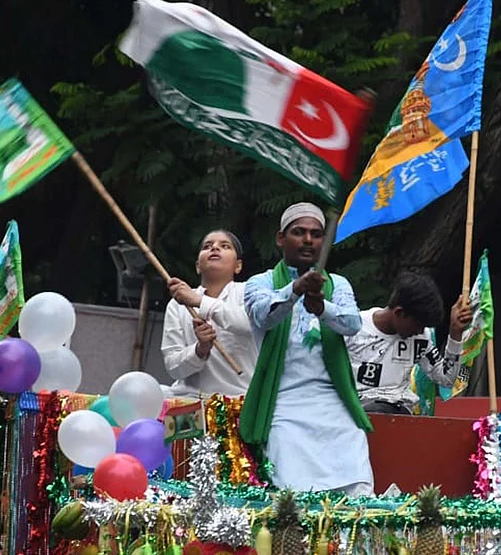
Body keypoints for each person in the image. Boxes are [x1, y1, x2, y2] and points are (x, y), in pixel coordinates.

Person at [239, 203, 373, 495]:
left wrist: (323, 308)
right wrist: (295, 289)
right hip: (284, 402)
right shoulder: (259, 282)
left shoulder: (337, 284)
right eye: (299, 232)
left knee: (356, 484)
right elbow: (263, 314)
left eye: (316, 234)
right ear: (280, 238)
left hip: (333, 402)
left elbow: (352, 324)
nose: (308, 240)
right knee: (292, 492)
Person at [346, 272, 473, 415]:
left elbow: (447, 379)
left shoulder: (421, 339)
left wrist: (455, 334)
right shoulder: (353, 329)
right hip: (359, 411)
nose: (420, 331)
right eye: (418, 325)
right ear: (399, 313)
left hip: (402, 412)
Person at [160, 230, 257, 398]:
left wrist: (200, 302)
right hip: (189, 401)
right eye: (207, 246)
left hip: (240, 400)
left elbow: (250, 324)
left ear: (238, 266)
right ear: (198, 266)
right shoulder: (177, 305)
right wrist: (200, 349)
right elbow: (173, 367)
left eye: (224, 246)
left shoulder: (250, 292)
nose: (215, 248)